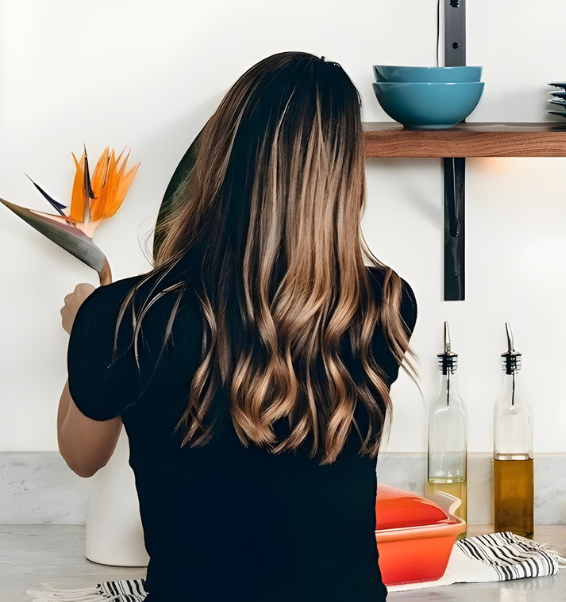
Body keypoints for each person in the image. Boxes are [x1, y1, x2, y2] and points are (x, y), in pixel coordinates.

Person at [56, 52, 417, 602]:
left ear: (218, 157)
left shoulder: (124, 316)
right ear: (344, 180)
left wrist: (86, 325)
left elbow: (82, 456)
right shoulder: (382, 305)